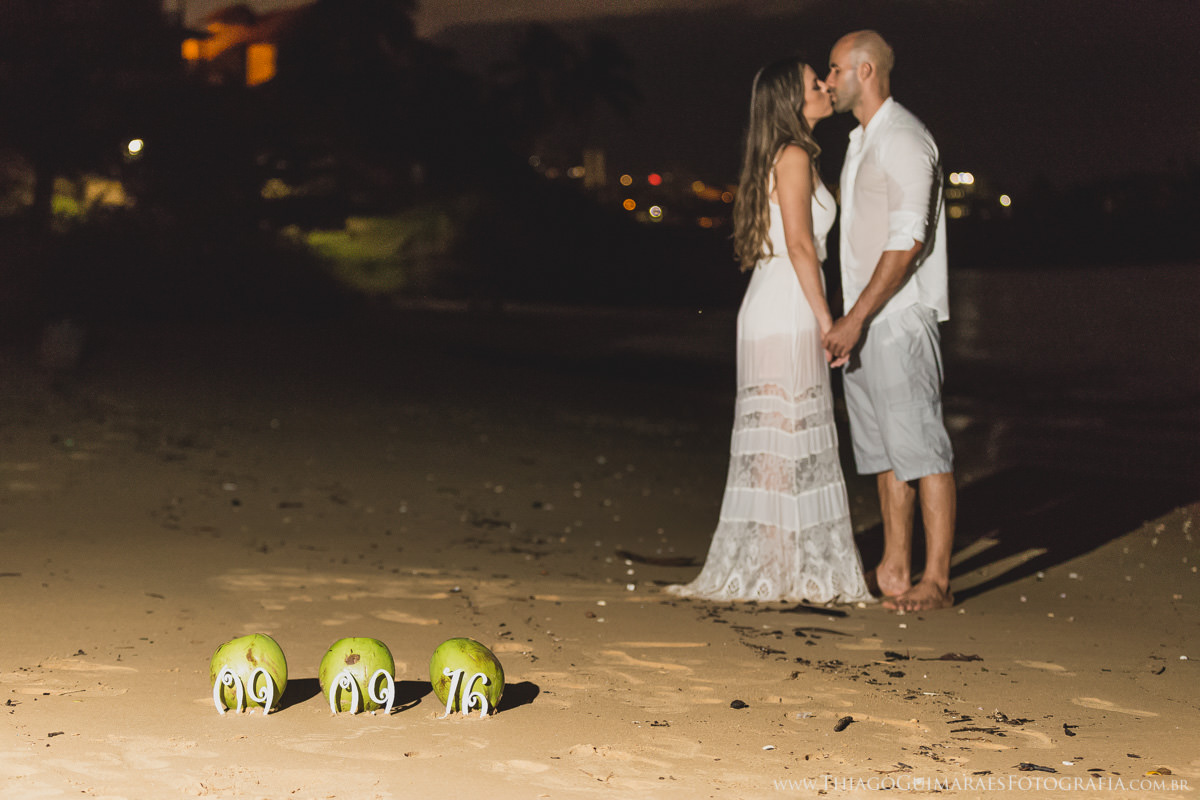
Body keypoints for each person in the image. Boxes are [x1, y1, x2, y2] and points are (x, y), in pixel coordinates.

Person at [667, 58, 872, 604]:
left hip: (771, 302)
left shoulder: (783, 154)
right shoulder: (795, 155)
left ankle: (779, 563)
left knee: (781, 440)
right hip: (787, 306)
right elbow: (801, 246)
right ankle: (780, 566)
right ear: (791, 101)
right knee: (787, 436)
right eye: (814, 83)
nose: (826, 87)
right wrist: (830, 321)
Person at [822, 31, 956, 612]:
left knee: (923, 451)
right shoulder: (861, 140)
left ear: (866, 70)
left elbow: (907, 241)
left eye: (835, 69)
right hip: (865, 320)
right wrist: (848, 317)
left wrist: (855, 318)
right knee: (883, 454)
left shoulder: (903, 137)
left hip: (898, 318)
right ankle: (896, 568)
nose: (827, 81)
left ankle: (938, 581)